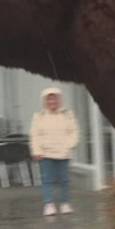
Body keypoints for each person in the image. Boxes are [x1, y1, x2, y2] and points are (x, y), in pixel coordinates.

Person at [30, 87, 79, 217]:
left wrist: (69, 145)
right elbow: (35, 135)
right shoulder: (39, 117)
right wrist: (37, 151)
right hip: (46, 154)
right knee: (48, 180)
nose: (52, 102)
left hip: (63, 153)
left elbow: (74, 132)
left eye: (55, 98)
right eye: (49, 99)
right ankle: (49, 204)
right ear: (45, 101)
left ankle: (65, 203)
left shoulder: (68, 115)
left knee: (64, 179)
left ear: (60, 100)